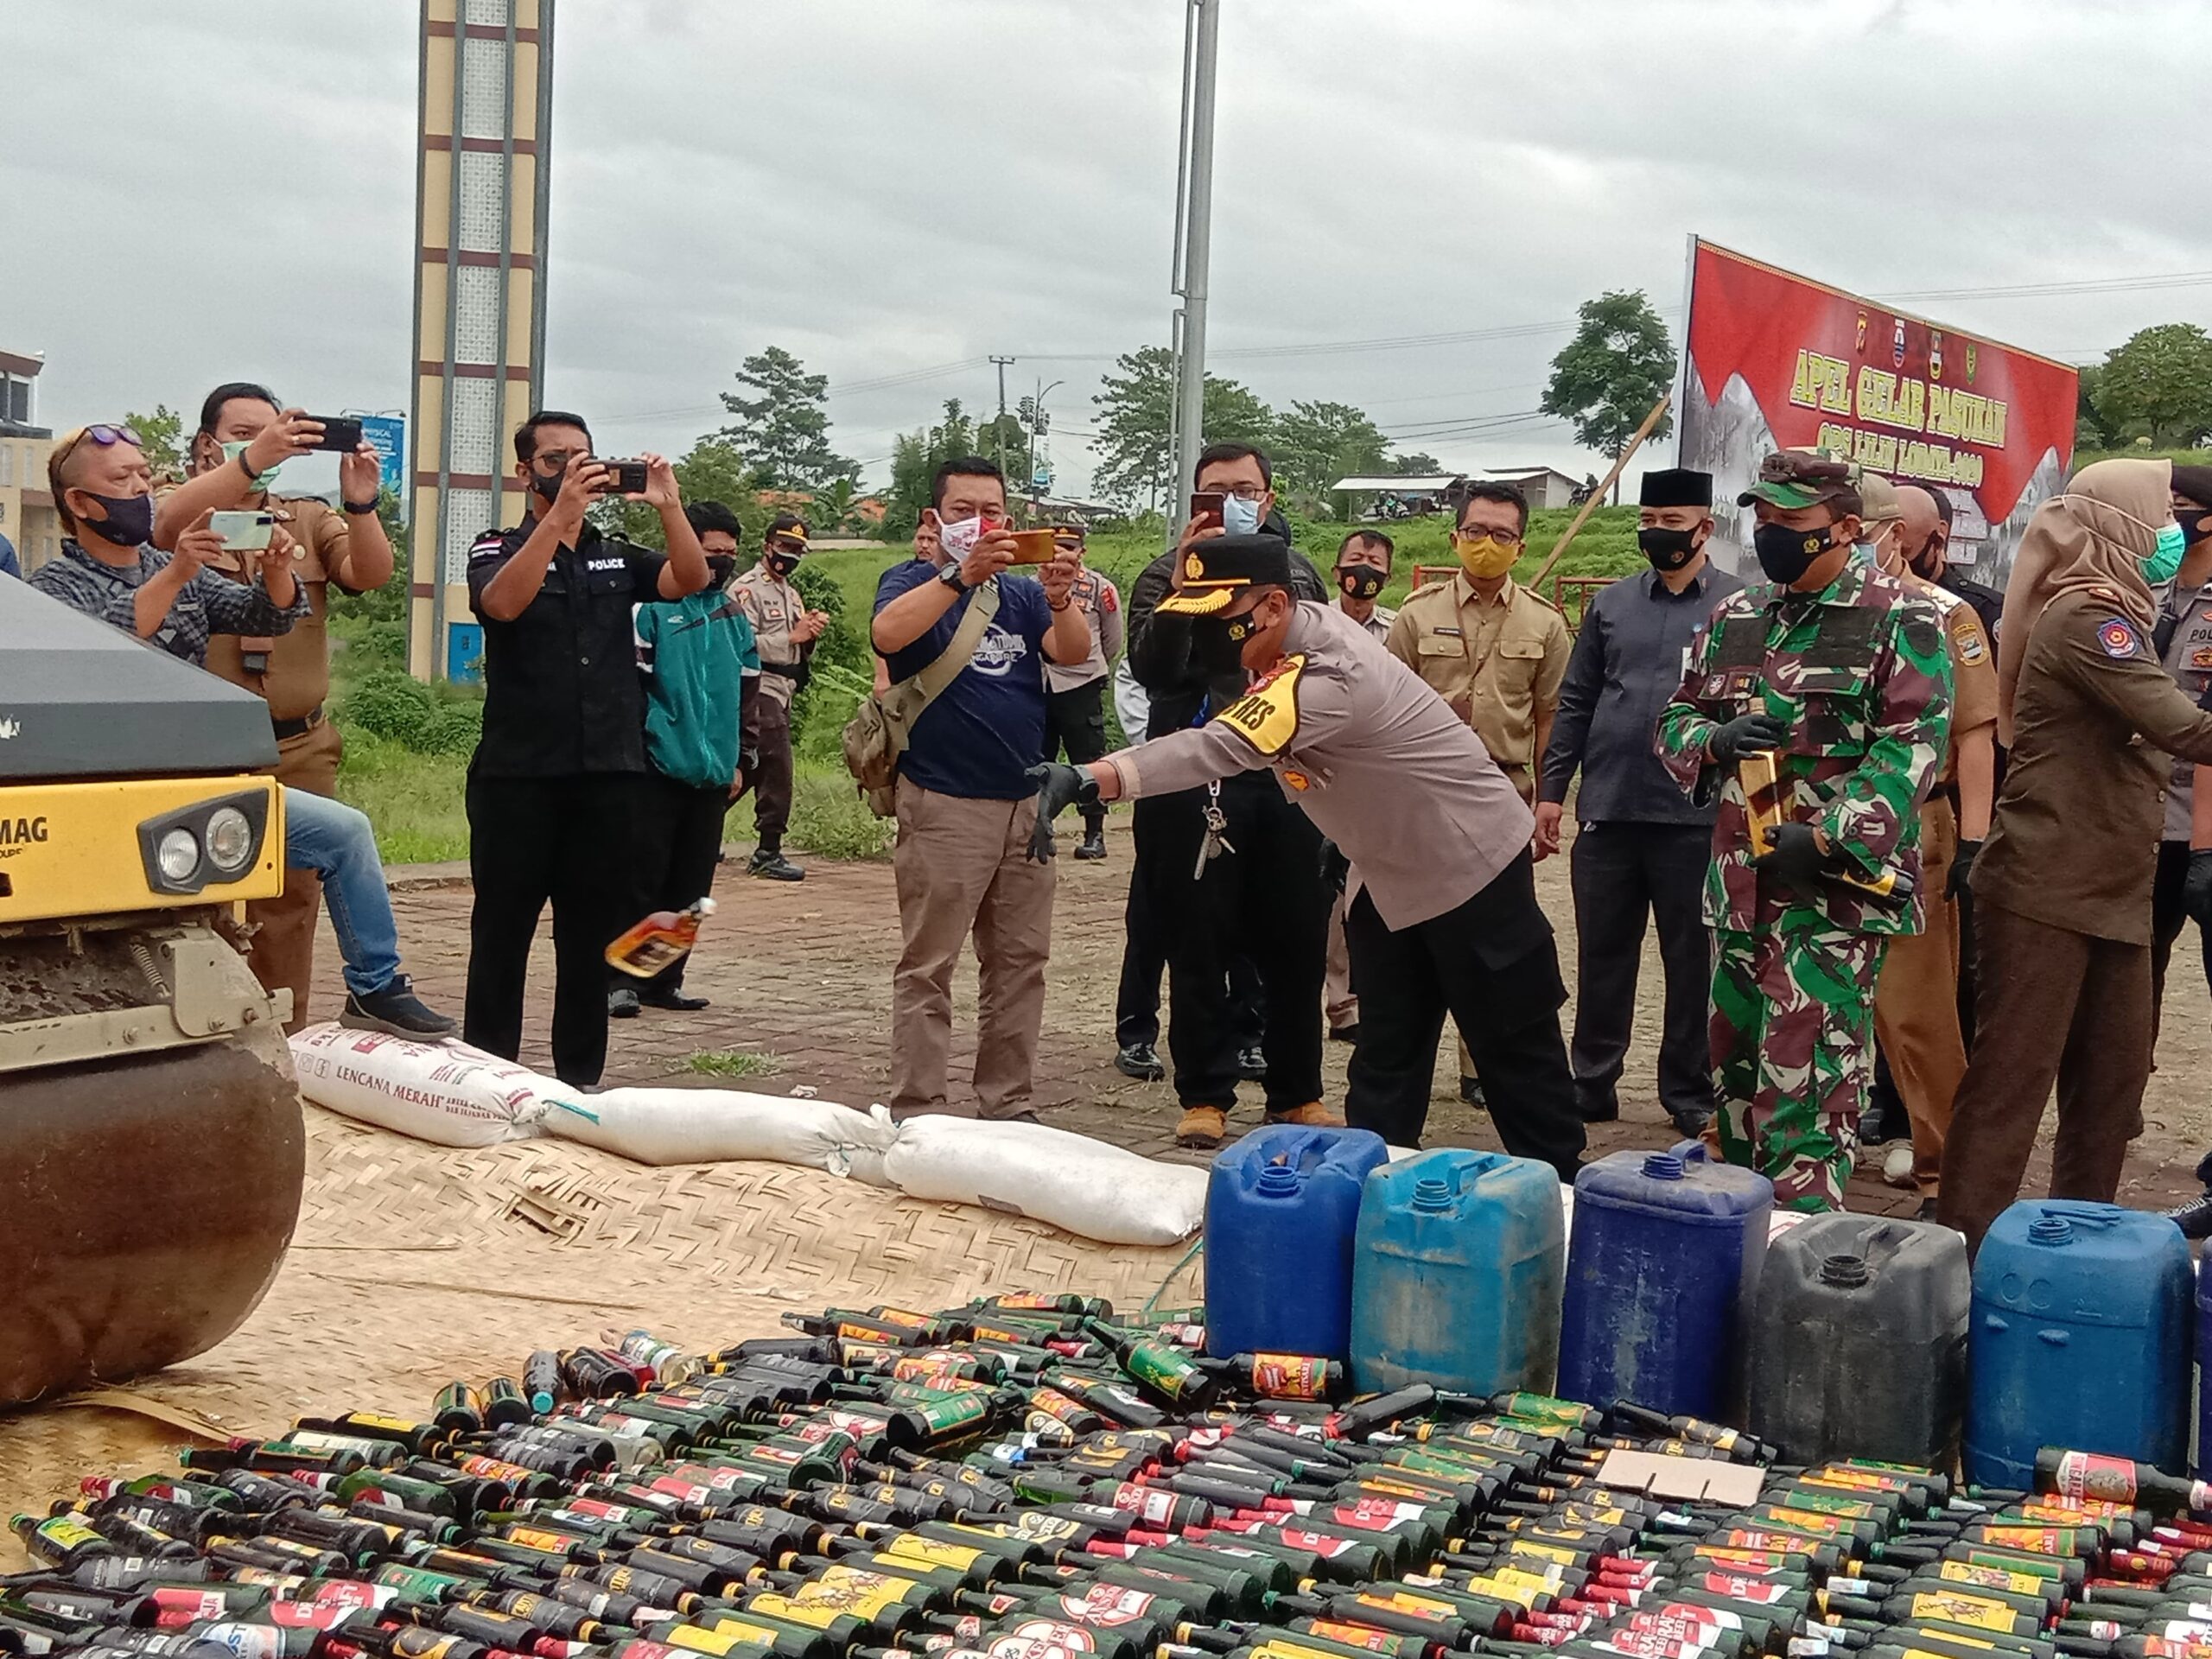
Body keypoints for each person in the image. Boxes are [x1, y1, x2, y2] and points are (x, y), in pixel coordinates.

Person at [1030, 534, 1586, 1177]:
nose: (1208, 635)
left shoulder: (1327, 675)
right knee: (1385, 1055)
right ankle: (1369, 1204)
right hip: (1387, 873)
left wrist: (1090, 777)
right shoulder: (1290, 638)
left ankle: (1569, 1207)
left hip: (1473, 868)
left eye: (1216, 617)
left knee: (1515, 1050)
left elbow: (1216, 748)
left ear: (1271, 606)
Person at [35, 423, 451, 1038]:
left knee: (344, 832)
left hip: (195, 781)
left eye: (143, 474)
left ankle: (376, 986)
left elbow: (265, 615)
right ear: (79, 504)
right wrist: (176, 573)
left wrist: (278, 571)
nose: (140, 489)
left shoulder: (164, 559)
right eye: (120, 480)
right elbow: (114, 644)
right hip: (110, 798)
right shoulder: (53, 586)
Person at [1656, 450, 1952, 1212]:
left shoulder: (1903, 615)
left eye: (1791, 520)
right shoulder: (1738, 616)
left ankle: (1802, 1251)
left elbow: (1912, 745)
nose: (1770, 532)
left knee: (1812, 1085)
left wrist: (1826, 836)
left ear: (1846, 528)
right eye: (1763, 517)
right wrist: (1713, 744)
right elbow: (1677, 717)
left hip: (1829, 901)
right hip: (1740, 894)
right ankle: (1740, 1239)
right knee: (1737, 1074)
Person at [1937, 460, 2212, 1252]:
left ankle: (2080, 1242)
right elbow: (2182, 726)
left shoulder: (2117, 608)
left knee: (2111, 1083)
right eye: (2161, 515)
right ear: (2118, 525)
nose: (2171, 532)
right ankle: (1962, 1252)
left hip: (2113, 887)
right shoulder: (2091, 619)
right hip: (2047, 886)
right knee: (2012, 1083)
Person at [464, 410, 710, 1088]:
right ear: (526, 473)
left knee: (586, 938)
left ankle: (579, 1079)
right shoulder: (494, 546)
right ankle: (489, 1076)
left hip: (607, 774)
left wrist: (670, 508)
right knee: (502, 933)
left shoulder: (615, 552)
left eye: (582, 457)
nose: (571, 469)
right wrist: (556, 520)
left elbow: (689, 580)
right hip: (518, 775)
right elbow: (502, 606)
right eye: (554, 459)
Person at [149, 384, 397, 1032]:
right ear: (210, 443)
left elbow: (370, 574)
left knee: (290, 901)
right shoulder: (180, 511)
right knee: (191, 895)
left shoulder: (306, 518)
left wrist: (362, 501)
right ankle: (194, 1041)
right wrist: (250, 463)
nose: (272, 441)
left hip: (297, 743)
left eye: (278, 430)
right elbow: (164, 528)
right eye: (248, 431)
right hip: (200, 749)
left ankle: (285, 1038)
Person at [1125, 442, 1333, 1148]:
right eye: (1214, 493)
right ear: (1193, 502)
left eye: (1243, 490)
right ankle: (1204, 1095)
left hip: (1285, 775)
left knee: (1298, 939)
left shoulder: (1298, 575)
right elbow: (1154, 671)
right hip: (1193, 779)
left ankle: (1297, 1093)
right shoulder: (1161, 575)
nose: (1229, 503)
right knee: (1197, 939)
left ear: (1267, 499)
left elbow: (1321, 666)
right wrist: (1189, 585)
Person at [870, 456, 1090, 1122]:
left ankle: (1008, 1105)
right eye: (962, 510)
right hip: (944, 802)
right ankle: (920, 1108)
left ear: (1010, 521)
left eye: (990, 511)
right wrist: (957, 575)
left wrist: (1059, 597)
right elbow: (888, 633)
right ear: (933, 520)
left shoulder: (1022, 595)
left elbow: (1072, 652)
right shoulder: (909, 580)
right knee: (929, 965)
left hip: (1025, 805)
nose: (978, 522)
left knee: (1021, 963)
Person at [1536, 467, 1740, 1135]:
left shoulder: (1742, 607)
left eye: (1672, 524)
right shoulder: (1611, 605)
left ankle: (1687, 1090)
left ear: (1705, 528)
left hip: (1696, 815)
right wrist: (1552, 793)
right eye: (1648, 522)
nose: (1657, 534)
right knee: (1602, 954)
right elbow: (1575, 702)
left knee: (1690, 961)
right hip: (1611, 808)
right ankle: (1592, 1081)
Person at [1388, 478, 1571, 1108]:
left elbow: (1551, 719)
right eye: (1475, 532)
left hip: (1504, 799)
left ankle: (1481, 1068)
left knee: (1498, 947)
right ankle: (1406, 1066)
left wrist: (1549, 801)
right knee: (1420, 938)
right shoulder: (1416, 615)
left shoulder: (1544, 623)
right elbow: (1383, 713)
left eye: (1500, 535)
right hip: (1423, 802)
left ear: (1519, 546)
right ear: (1454, 537)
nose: (1485, 545)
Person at [1859, 480, 1999, 1210]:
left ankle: (1949, 1176)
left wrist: (1975, 840)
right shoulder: (1814, 612)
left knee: (1917, 1012)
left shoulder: (1947, 615)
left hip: (1918, 825)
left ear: (1897, 535)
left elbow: (1977, 736)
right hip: (1823, 825)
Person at [609, 499, 760, 1018]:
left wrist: (743, 760)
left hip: (713, 772)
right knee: (637, 878)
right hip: (656, 767)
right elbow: (630, 689)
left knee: (692, 888)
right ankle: (619, 982)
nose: (720, 563)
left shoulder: (733, 615)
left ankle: (662, 980)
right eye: (710, 552)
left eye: (729, 554)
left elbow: (748, 693)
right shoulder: (650, 607)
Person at [1323, 529, 1399, 1041]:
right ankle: (1335, 1001)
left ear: (1388, 576)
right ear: (1337, 570)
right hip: (1322, 775)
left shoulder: (1399, 631)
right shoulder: (1313, 624)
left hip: (1378, 779)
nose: (1365, 568)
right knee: (1325, 900)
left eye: (1375, 561)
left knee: (1367, 890)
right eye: (1356, 559)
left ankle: (1362, 1000)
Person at [2148, 465, 2212, 1040]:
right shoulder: (2148, 591)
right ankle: (2122, 1099)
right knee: (2137, 969)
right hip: (2143, 816)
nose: (2170, 518)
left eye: (2182, 506)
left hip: (2204, 820)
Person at [730, 512, 827, 881]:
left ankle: (697, 834)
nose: (790, 555)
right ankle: (768, 850)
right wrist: (790, 638)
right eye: (785, 546)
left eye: (798, 549)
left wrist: (810, 633)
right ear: (767, 546)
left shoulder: (791, 593)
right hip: (759, 689)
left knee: (753, 769)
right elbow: (739, 642)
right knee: (779, 766)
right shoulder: (746, 590)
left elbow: (799, 647)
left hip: (784, 690)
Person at [1039, 527, 1123, 861]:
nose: (1061, 554)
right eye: (1055, 547)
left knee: (1088, 760)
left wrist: (1089, 665)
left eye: (1069, 548)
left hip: (1081, 683)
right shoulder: (1032, 586)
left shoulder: (1100, 588)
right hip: (1038, 683)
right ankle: (1039, 826)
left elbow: (1112, 640)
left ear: (1082, 552)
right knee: (1036, 758)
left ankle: (1095, 834)